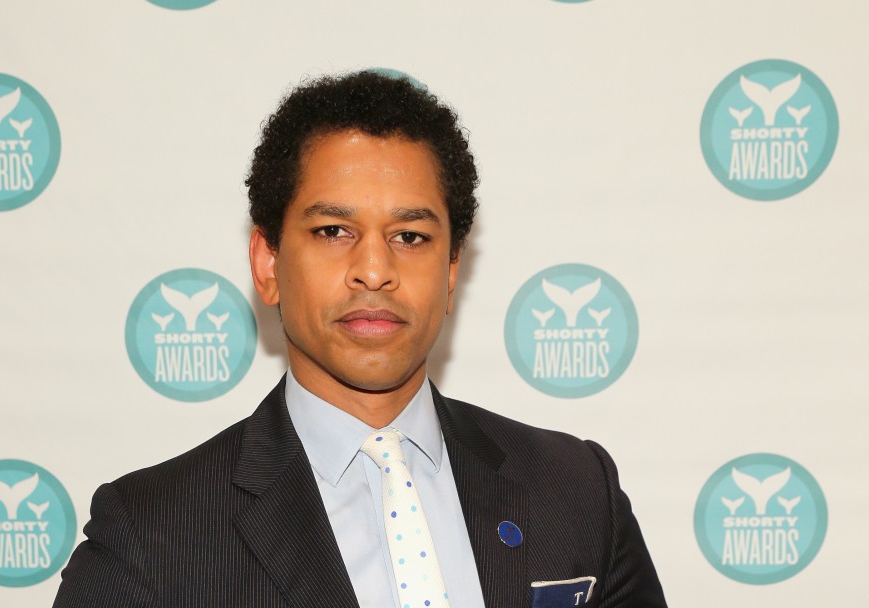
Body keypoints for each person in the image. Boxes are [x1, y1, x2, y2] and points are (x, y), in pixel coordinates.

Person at [53, 70, 666, 608]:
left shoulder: (577, 491)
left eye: (410, 237)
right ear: (267, 263)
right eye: (333, 230)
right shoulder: (151, 535)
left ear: (452, 272)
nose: (375, 270)